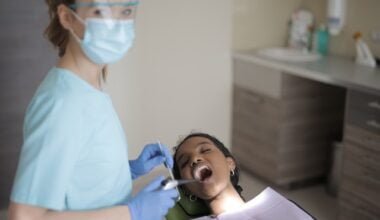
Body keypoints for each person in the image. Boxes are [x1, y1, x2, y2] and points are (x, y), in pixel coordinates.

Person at [8, 1, 178, 220]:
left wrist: (128, 171)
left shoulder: (88, 88)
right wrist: (133, 212)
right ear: (67, 17)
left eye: (125, 10)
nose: (116, 24)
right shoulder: (62, 104)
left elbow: (75, 175)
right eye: (100, 11)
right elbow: (24, 217)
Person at [172, 133, 315, 220]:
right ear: (188, 189)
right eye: (184, 162)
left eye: (205, 150)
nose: (195, 159)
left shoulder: (282, 208)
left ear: (230, 163)